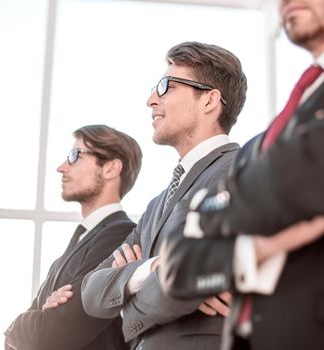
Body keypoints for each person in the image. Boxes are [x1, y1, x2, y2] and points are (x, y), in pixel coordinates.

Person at [159, 0, 324, 349]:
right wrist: (250, 250)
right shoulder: (263, 144)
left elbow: (300, 180)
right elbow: (177, 266)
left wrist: (205, 208)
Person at [79, 41, 247, 350]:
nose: (150, 100)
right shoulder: (157, 204)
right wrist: (148, 269)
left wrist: (127, 311)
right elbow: (90, 292)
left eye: (165, 86)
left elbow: (195, 275)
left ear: (209, 100)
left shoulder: (242, 171)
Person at [4, 125, 142, 350]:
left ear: (111, 168)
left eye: (75, 155)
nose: (61, 168)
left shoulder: (121, 234)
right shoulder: (76, 244)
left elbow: (51, 334)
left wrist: (15, 327)